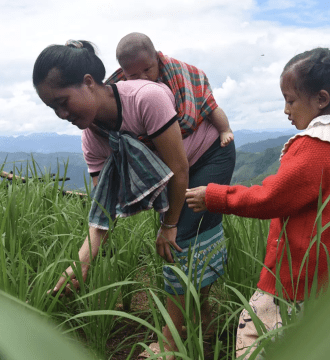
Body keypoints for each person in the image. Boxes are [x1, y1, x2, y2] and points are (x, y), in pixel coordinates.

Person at [32, 40, 235, 359]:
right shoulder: (94, 137)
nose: (62, 114)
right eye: (53, 108)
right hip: (176, 170)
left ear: (88, 82)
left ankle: (170, 344)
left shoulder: (146, 97)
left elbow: (179, 169)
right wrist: (82, 262)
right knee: (190, 238)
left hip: (209, 156)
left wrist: (168, 225)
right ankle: (200, 315)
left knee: (178, 239)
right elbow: (103, 206)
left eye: (63, 101)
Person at [185, 47, 330, 358]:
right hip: (329, 279)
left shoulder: (314, 147)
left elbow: (270, 197)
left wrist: (213, 196)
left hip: (294, 281)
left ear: (321, 99)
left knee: (253, 336)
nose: (286, 110)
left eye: (291, 100)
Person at [107, 32, 234, 148]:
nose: (143, 77)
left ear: (156, 58)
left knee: (211, 107)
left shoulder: (172, 71)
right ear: (124, 72)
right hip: (162, 131)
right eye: (133, 76)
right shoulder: (121, 88)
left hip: (192, 111)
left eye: (147, 70)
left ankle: (225, 130)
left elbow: (191, 79)